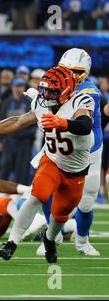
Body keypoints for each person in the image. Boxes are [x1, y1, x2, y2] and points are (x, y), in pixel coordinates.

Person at [0, 66, 94, 263]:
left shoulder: (81, 101)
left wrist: (63, 123)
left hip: (76, 171)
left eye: (51, 91)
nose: (45, 95)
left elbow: (85, 125)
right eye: (44, 90)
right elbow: (17, 121)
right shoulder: (42, 102)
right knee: (37, 195)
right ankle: (12, 242)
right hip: (52, 161)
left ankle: (49, 239)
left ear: (66, 90)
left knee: (60, 215)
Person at [37, 48, 102, 256]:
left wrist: (98, 129)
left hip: (87, 150)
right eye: (68, 70)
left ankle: (82, 241)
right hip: (59, 147)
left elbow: (95, 117)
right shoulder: (55, 86)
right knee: (45, 191)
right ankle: (52, 236)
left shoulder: (89, 91)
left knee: (87, 199)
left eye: (76, 71)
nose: (72, 75)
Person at [0, 77, 37, 185]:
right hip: (9, 140)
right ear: (12, 87)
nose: (18, 89)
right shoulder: (7, 102)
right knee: (5, 166)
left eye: (21, 86)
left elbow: (35, 123)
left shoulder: (30, 102)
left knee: (22, 169)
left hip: (25, 141)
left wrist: (28, 135)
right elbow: (0, 120)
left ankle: (21, 193)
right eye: (16, 86)